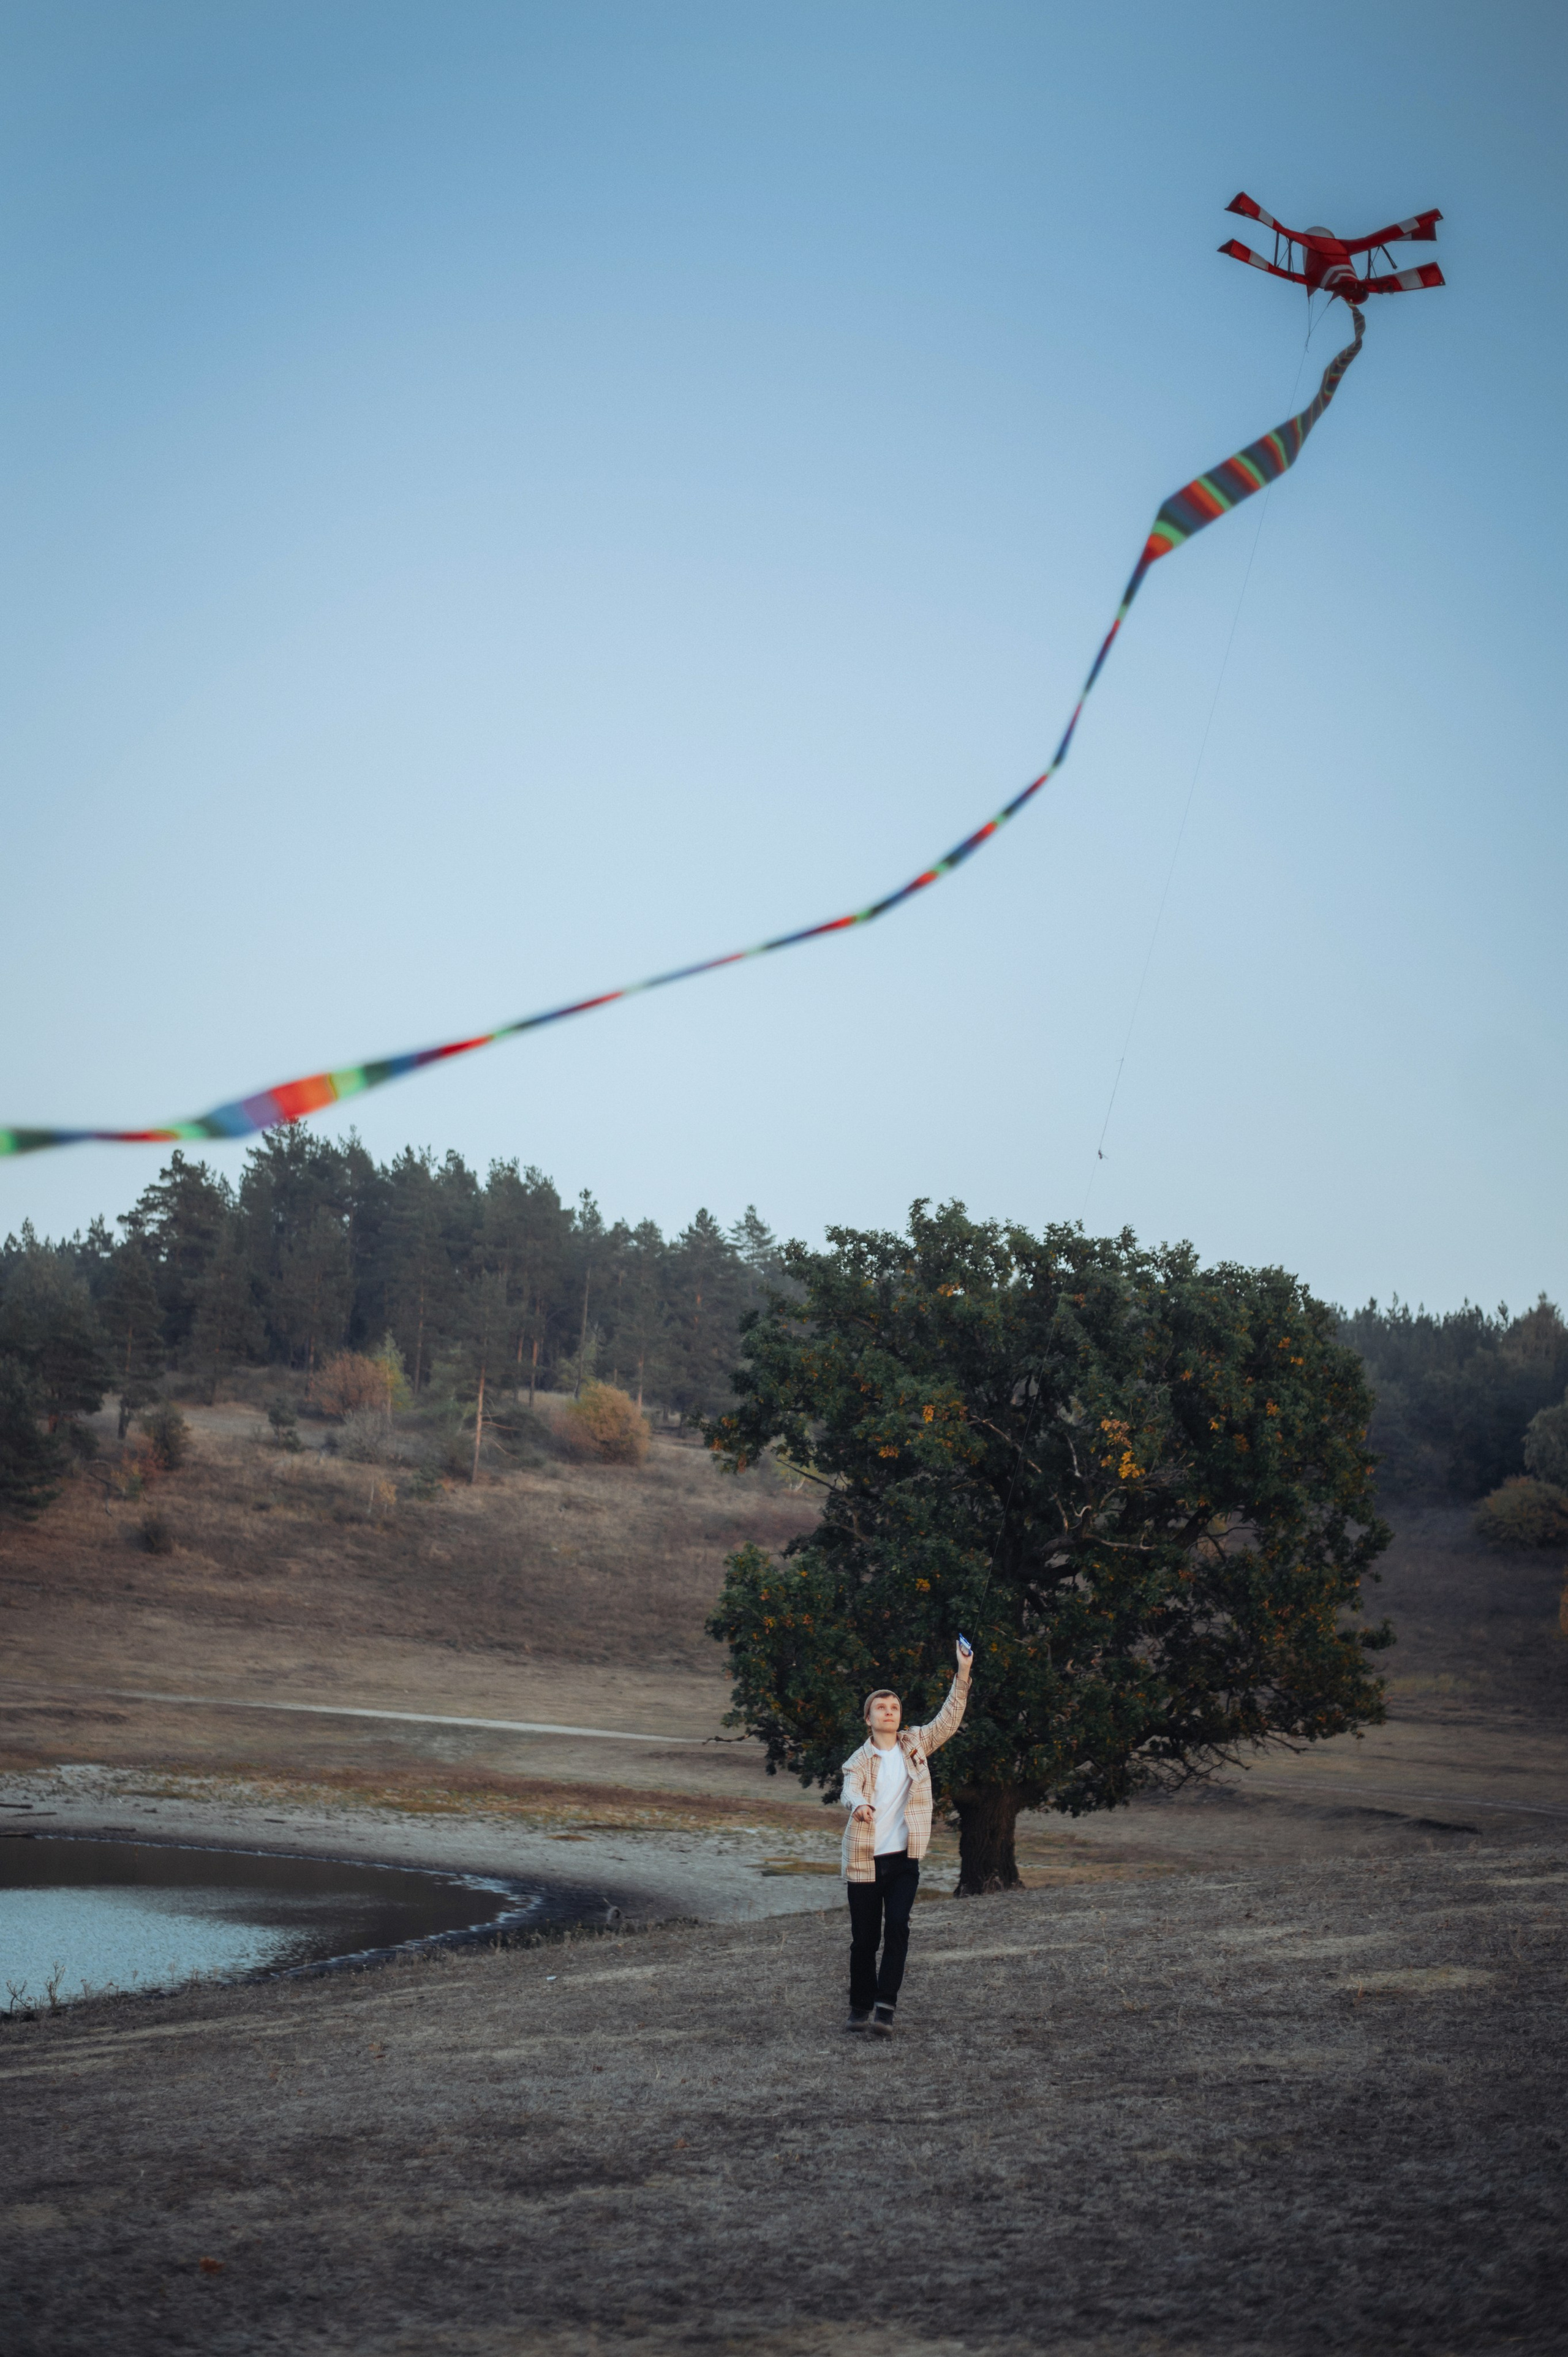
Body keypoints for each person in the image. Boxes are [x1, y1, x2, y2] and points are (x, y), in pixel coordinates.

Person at [839, 1637, 972, 2035]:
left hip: (903, 1861)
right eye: (881, 1707)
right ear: (869, 1719)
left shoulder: (916, 1744)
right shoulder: (858, 1761)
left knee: (898, 1927)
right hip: (864, 1861)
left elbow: (949, 1718)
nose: (889, 1711)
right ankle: (860, 2007)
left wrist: (963, 1671)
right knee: (865, 1940)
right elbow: (851, 1788)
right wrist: (859, 1805)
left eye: (894, 1707)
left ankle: (885, 2009)